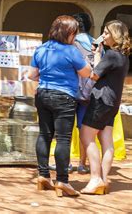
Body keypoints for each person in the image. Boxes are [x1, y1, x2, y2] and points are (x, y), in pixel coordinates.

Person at [28, 15, 91, 197]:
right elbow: (86, 72)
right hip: (64, 97)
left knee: (44, 135)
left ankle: (43, 176)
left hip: (43, 95)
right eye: (75, 33)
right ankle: (62, 181)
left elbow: (32, 74)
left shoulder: (41, 49)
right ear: (69, 33)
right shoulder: (71, 51)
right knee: (63, 138)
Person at [80, 20, 130, 195]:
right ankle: (104, 179)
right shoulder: (122, 56)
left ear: (115, 35)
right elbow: (102, 71)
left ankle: (95, 179)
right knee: (106, 140)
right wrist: (98, 53)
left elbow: (94, 76)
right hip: (113, 102)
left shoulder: (111, 55)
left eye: (107, 33)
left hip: (101, 100)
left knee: (86, 136)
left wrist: (80, 67)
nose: (104, 35)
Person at [72, 12, 95, 174]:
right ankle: (82, 163)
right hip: (88, 93)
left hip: (71, 90)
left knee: (64, 127)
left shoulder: (71, 44)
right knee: (84, 129)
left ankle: (65, 163)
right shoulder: (96, 45)